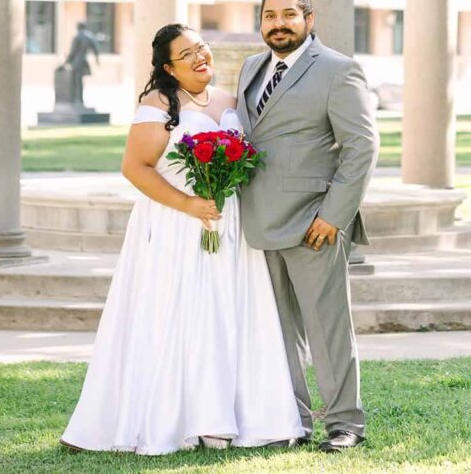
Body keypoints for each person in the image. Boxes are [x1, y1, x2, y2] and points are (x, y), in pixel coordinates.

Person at [60, 23, 304, 455]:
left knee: (229, 314)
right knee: (182, 314)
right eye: (187, 53)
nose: (199, 57)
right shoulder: (158, 105)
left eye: (202, 48)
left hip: (226, 225)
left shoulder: (231, 101)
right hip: (175, 226)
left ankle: (230, 417)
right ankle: (181, 419)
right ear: (169, 66)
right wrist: (188, 204)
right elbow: (135, 168)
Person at [237, 0, 379, 453]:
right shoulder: (251, 68)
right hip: (257, 222)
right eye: (269, 15)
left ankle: (345, 423)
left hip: (313, 222)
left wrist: (335, 216)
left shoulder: (338, 70)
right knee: (278, 330)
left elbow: (362, 148)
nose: (278, 23)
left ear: (309, 20)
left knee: (328, 328)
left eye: (288, 15)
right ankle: (292, 418)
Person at [61, 22, 101, 107]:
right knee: (80, 82)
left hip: (76, 62)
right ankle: (80, 100)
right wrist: (97, 59)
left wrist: (65, 63)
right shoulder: (90, 36)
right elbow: (96, 49)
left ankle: (76, 100)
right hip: (84, 61)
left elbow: (72, 52)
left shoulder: (77, 37)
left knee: (75, 82)